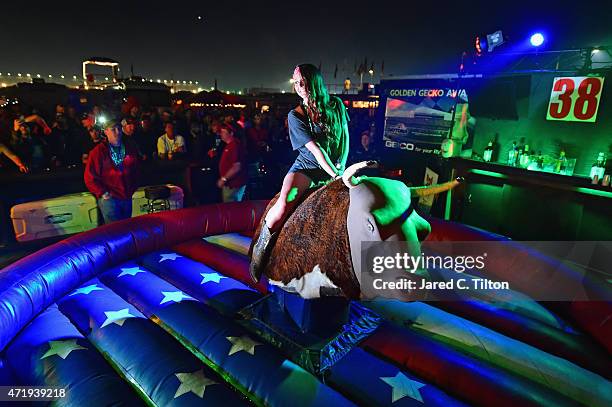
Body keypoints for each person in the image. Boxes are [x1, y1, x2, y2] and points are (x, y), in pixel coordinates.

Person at [250, 63, 349, 281]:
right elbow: (315, 149)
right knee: (284, 204)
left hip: (335, 168)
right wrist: (335, 175)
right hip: (308, 168)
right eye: (295, 82)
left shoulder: (337, 105)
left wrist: (341, 164)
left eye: (302, 82)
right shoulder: (296, 115)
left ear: (314, 82)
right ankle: (260, 250)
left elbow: (345, 136)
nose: (298, 87)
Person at [84, 117, 139, 224]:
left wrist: (132, 188)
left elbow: (135, 170)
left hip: (126, 196)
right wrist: (103, 193)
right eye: (113, 129)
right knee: (113, 231)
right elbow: (89, 177)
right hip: (110, 199)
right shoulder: (98, 152)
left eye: (119, 128)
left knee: (126, 227)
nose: (117, 132)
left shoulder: (129, 148)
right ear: (106, 132)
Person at [217, 124, 248, 202]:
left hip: (233, 185)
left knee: (230, 208)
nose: (221, 134)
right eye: (221, 132)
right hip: (231, 184)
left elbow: (236, 167)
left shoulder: (234, 145)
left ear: (231, 133)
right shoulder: (230, 145)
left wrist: (224, 179)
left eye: (223, 132)